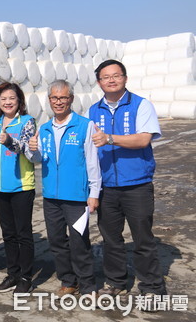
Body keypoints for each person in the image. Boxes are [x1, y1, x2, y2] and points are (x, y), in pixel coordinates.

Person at [88, 60, 166, 299]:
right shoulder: (93, 111)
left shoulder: (141, 105)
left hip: (137, 185)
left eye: (116, 75)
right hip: (107, 186)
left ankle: (151, 286)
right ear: (99, 82)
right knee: (111, 239)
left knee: (143, 239)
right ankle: (115, 281)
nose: (111, 80)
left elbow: (143, 139)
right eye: (105, 77)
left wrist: (110, 138)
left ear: (125, 78)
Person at [28, 80, 101, 297]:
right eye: (54, 98)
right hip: (51, 195)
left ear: (71, 99)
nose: (58, 102)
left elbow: (92, 161)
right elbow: (39, 159)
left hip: (77, 197)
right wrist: (32, 150)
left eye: (63, 98)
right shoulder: (45, 128)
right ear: (49, 100)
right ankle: (68, 281)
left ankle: (87, 285)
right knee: (57, 242)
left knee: (79, 243)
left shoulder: (84, 125)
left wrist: (94, 193)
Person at [0, 82, 36, 294]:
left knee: (23, 233)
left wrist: (9, 141)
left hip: (21, 186)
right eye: (3, 99)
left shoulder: (27, 122)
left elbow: (26, 149)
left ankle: (26, 277)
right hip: (0, 188)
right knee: (8, 234)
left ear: (19, 101)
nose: (8, 102)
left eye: (12, 99)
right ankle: (13, 274)